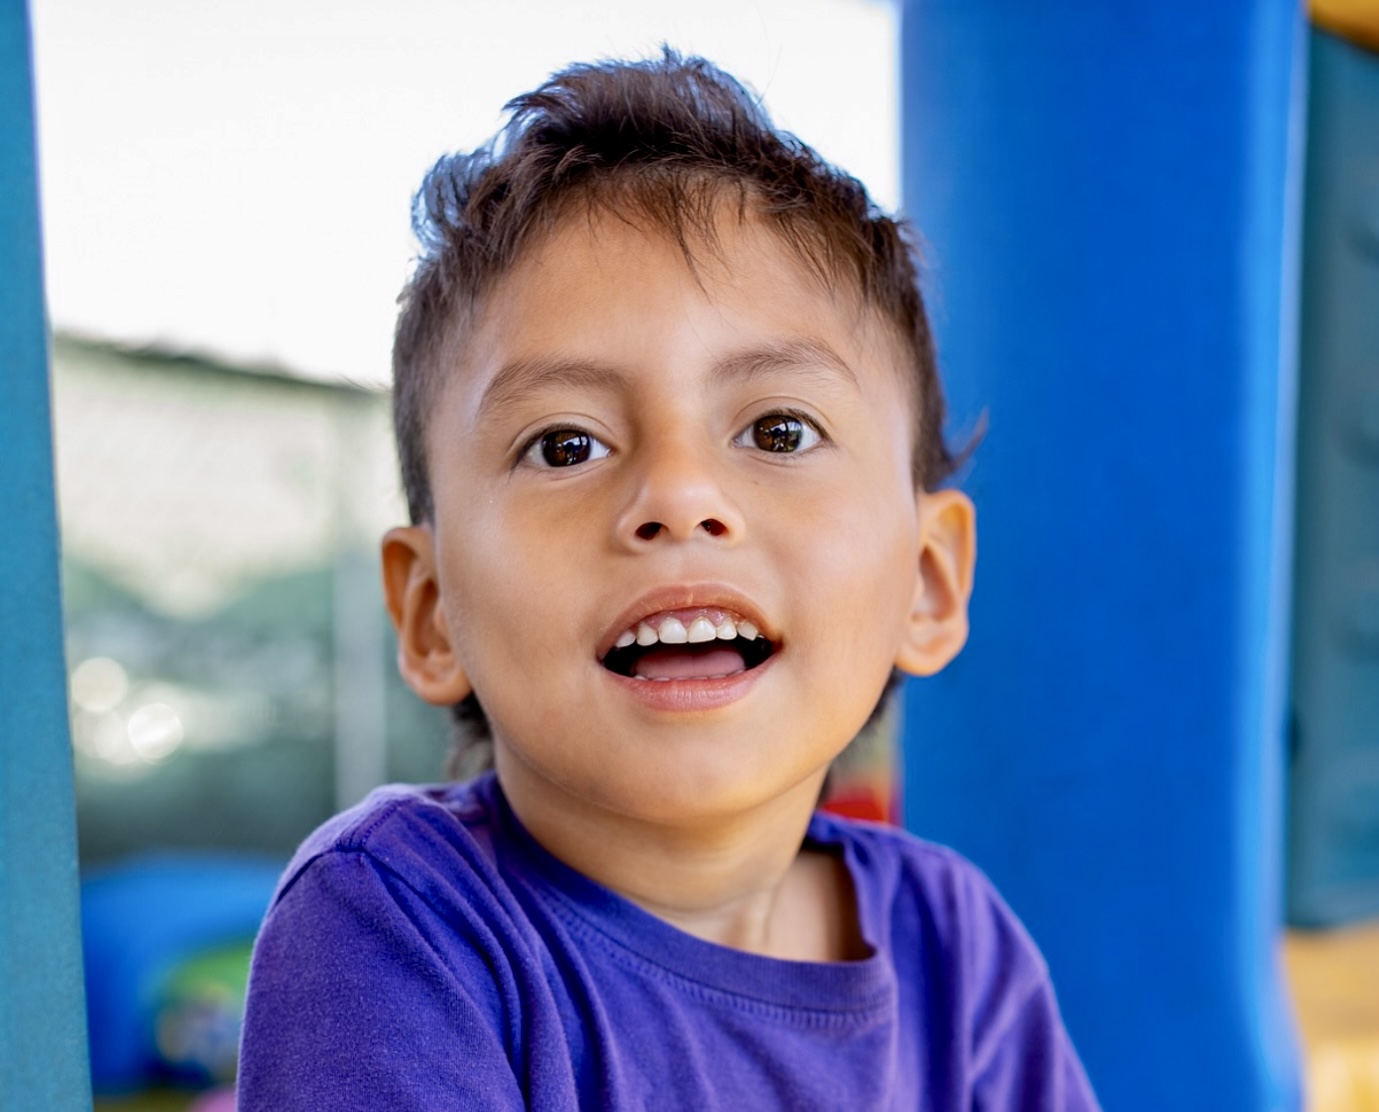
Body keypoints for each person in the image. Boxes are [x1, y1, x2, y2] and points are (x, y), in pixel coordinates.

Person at [237, 51, 1100, 1110]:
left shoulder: (957, 953)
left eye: (777, 429)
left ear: (923, 581)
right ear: (430, 611)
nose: (679, 494)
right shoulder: (396, 918)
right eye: (564, 444)